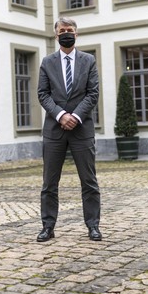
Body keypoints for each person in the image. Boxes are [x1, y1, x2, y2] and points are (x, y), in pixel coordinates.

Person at [36, 17, 102, 242]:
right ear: (56, 35)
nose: (66, 33)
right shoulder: (47, 62)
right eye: (62, 30)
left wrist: (74, 116)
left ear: (76, 34)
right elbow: (42, 94)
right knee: (49, 183)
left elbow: (93, 93)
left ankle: (93, 226)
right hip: (54, 130)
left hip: (82, 129)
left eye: (70, 30)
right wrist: (61, 115)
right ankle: (47, 226)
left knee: (89, 181)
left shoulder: (89, 60)